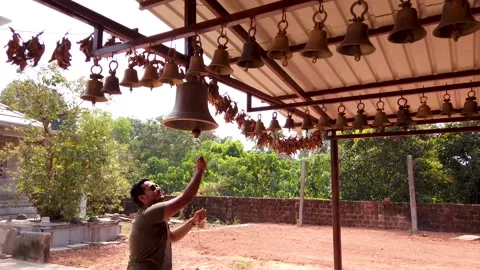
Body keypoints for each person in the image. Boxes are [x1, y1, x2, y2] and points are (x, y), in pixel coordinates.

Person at [127, 156, 207, 270]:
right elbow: (186, 198)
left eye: (157, 185)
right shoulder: (150, 213)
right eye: (152, 188)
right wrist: (199, 171)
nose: (158, 188)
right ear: (142, 198)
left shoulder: (153, 217)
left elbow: (172, 237)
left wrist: (192, 222)